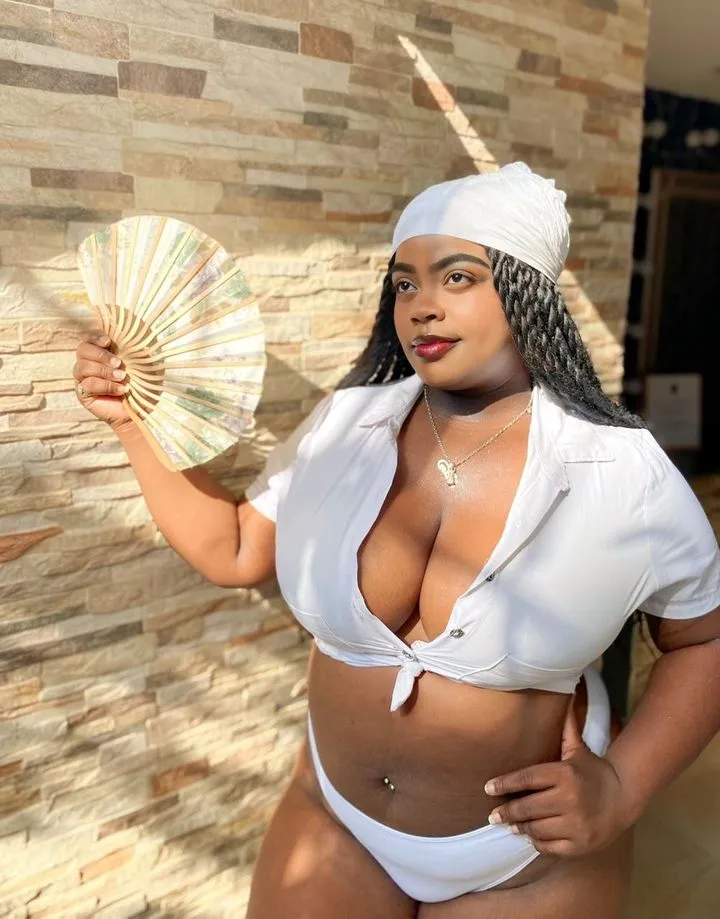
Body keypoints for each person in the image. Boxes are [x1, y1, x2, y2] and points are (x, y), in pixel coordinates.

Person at [73, 163, 720, 919]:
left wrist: (624, 786)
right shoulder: (348, 423)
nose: (422, 307)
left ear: (527, 291)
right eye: (405, 283)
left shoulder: (620, 471)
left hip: (523, 861)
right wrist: (132, 423)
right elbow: (237, 549)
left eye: (457, 277)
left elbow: (704, 639)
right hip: (334, 817)